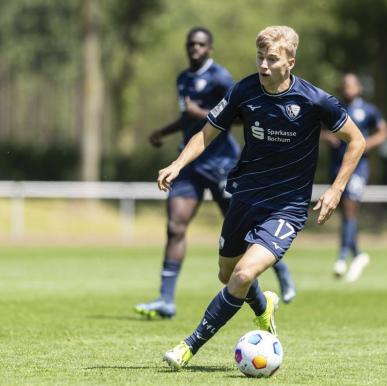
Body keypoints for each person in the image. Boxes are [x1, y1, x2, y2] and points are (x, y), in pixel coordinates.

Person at [157, 26, 366, 370]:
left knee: (242, 276)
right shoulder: (244, 91)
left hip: (287, 207)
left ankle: (188, 346)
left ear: (290, 62)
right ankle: (263, 307)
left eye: (272, 59)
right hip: (246, 198)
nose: (264, 65)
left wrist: (336, 188)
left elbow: (356, 140)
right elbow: (207, 132)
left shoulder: (314, 101)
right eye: (260, 58)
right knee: (227, 275)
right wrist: (178, 164)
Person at [134, 27, 297, 320]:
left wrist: (201, 115)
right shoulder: (183, 78)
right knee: (175, 226)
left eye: (200, 44)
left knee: (247, 230)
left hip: (222, 163)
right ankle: (166, 299)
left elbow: (240, 115)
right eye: (190, 44)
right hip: (191, 162)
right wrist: (164, 131)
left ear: (210, 48)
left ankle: (281, 271)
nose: (194, 48)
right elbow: (189, 116)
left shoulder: (222, 78)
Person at [321, 74, 387, 282]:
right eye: (345, 85)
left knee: (350, 208)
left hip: (358, 168)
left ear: (359, 88)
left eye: (351, 85)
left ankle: (342, 258)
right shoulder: (336, 108)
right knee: (343, 213)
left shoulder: (368, 110)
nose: (348, 88)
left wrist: (365, 144)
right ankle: (358, 255)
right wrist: (328, 138)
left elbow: (384, 132)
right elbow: (319, 130)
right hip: (337, 167)